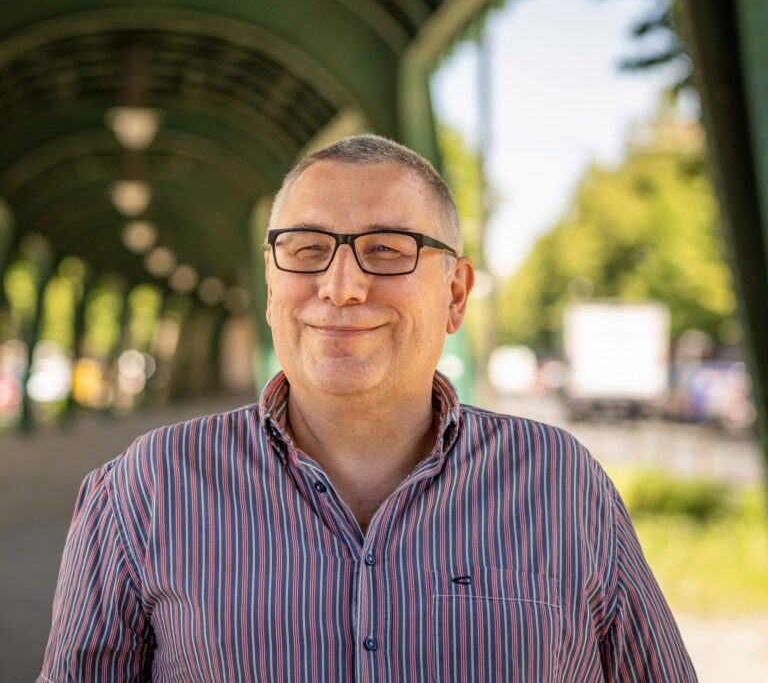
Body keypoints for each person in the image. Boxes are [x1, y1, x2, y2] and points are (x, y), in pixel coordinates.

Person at [38, 135, 696, 682]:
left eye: (387, 249)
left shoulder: (561, 486)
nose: (341, 286)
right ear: (271, 286)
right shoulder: (144, 489)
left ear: (457, 294)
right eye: (305, 250)